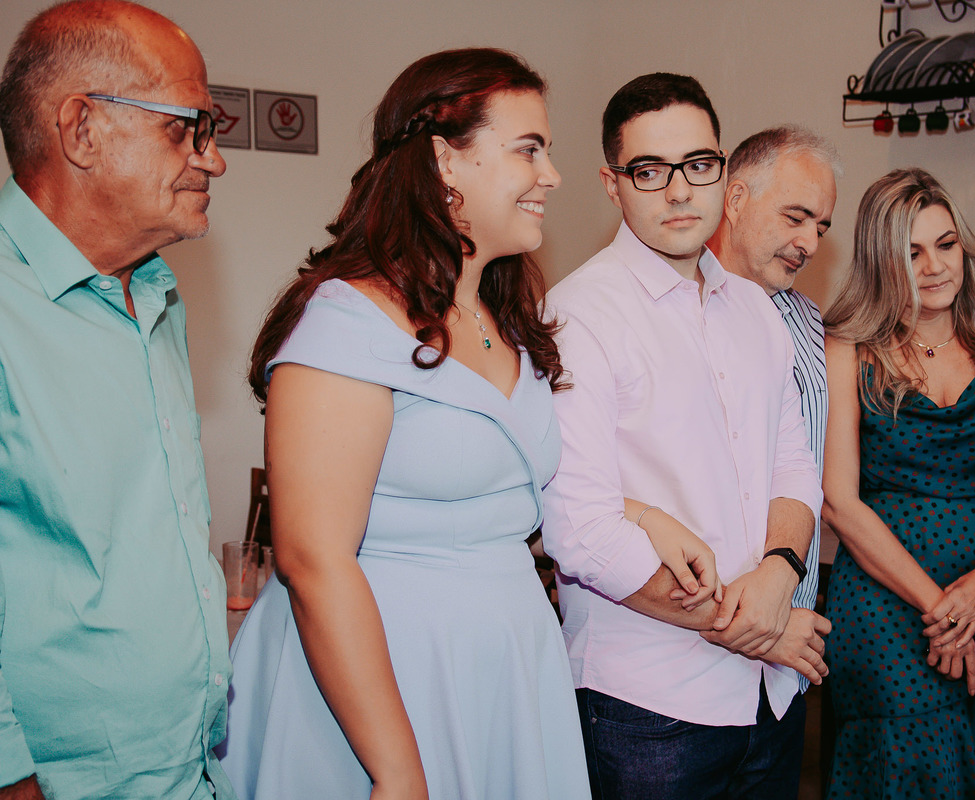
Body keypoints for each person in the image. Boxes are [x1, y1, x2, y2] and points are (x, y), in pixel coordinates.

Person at [216, 48, 589, 800]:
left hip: (505, 667)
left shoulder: (505, 318)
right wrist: (395, 769)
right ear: (445, 161)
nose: (551, 175)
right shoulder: (346, 323)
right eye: (528, 149)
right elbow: (313, 558)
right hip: (380, 683)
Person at [542, 72, 826, 800]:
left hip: (770, 695)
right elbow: (581, 531)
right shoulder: (578, 315)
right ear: (612, 184)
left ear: (723, 172)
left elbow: (794, 466)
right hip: (648, 705)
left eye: (698, 165)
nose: (678, 192)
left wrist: (779, 573)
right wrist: (757, 626)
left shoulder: (757, 311)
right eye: (649, 171)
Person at [0, 2, 232, 799]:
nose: (214, 160)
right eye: (187, 128)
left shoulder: (156, 296)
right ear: (82, 128)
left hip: (189, 765)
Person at [821, 168, 975, 799]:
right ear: (880, 260)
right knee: (913, 773)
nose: (934, 267)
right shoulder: (847, 348)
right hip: (887, 606)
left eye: (946, 244)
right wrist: (943, 609)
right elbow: (840, 503)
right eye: (911, 252)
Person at [707, 124, 841, 707]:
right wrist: (763, 624)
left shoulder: (809, 322)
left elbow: (807, 467)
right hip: (697, 656)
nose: (810, 242)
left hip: (790, 664)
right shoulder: (676, 312)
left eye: (821, 227)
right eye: (796, 217)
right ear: (736, 199)